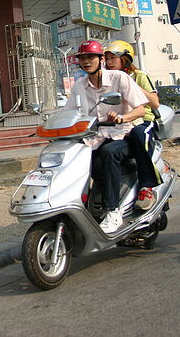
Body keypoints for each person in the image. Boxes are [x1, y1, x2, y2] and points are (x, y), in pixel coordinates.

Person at [65, 40, 148, 234]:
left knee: (110, 153)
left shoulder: (119, 78)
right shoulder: (79, 87)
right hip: (95, 138)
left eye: (90, 57)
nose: (86, 62)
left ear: (101, 59)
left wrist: (121, 117)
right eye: (82, 58)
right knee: (76, 158)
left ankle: (113, 211)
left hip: (123, 135)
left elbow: (141, 109)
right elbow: (69, 113)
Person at [103, 40, 162, 211]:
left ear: (125, 59)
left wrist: (132, 85)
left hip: (142, 121)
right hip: (118, 124)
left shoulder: (139, 76)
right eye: (107, 59)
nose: (109, 62)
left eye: (113, 58)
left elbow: (155, 103)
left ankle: (146, 187)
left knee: (138, 134)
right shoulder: (108, 80)